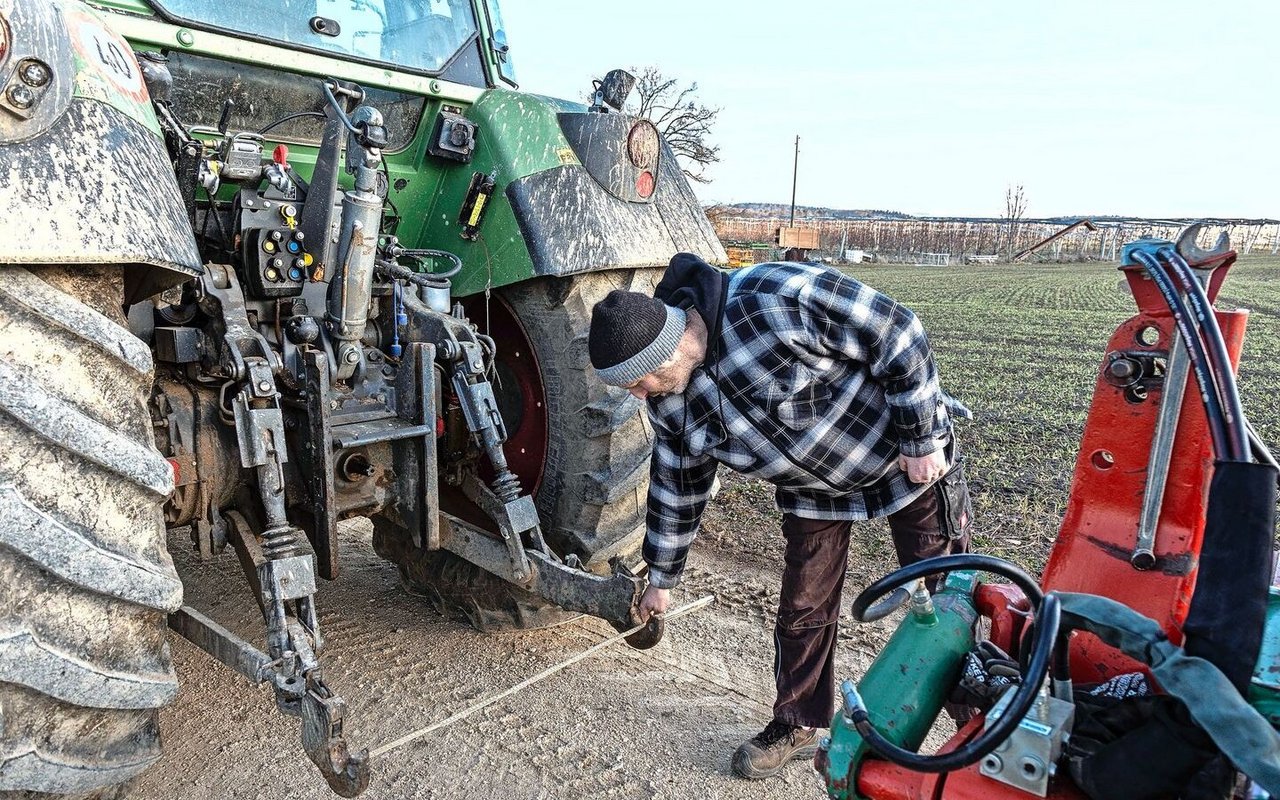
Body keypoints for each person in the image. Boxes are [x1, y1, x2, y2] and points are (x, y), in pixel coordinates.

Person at [587, 253, 974, 780]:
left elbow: (897, 330)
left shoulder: (774, 298)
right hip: (812, 491)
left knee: (948, 601)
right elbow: (677, 489)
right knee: (803, 608)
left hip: (902, 460)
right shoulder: (671, 403)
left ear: (667, 349)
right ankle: (797, 723)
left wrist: (921, 435)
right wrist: (661, 579)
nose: (638, 396)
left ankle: (980, 723)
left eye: (637, 381)